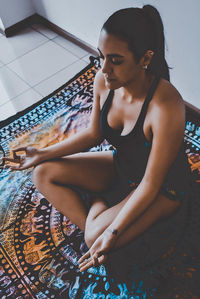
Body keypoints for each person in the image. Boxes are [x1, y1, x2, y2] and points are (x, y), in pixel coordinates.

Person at [3, 5, 191, 281]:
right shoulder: (104, 81)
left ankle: (102, 222)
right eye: (101, 57)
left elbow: (151, 183)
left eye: (115, 60)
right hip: (124, 168)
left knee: (95, 237)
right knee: (42, 172)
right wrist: (41, 153)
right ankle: (104, 227)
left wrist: (112, 232)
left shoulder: (166, 105)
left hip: (162, 189)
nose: (104, 69)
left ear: (145, 59)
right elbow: (93, 134)